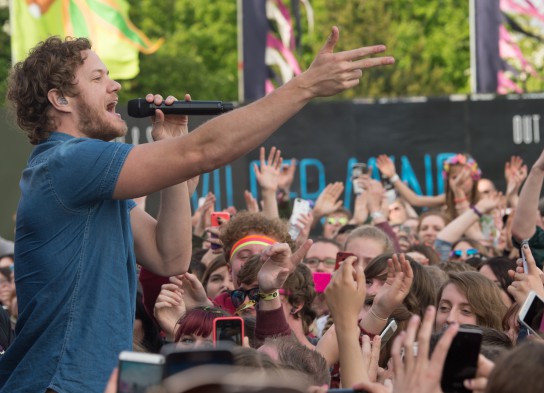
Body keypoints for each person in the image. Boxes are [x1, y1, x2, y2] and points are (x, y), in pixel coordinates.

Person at [2, 29, 393, 392]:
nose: (115, 85)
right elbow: (203, 151)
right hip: (58, 381)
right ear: (61, 99)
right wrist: (303, 86)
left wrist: (171, 143)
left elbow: (169, 256)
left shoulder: (88, 186)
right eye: (98, 77)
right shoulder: (66, 162)